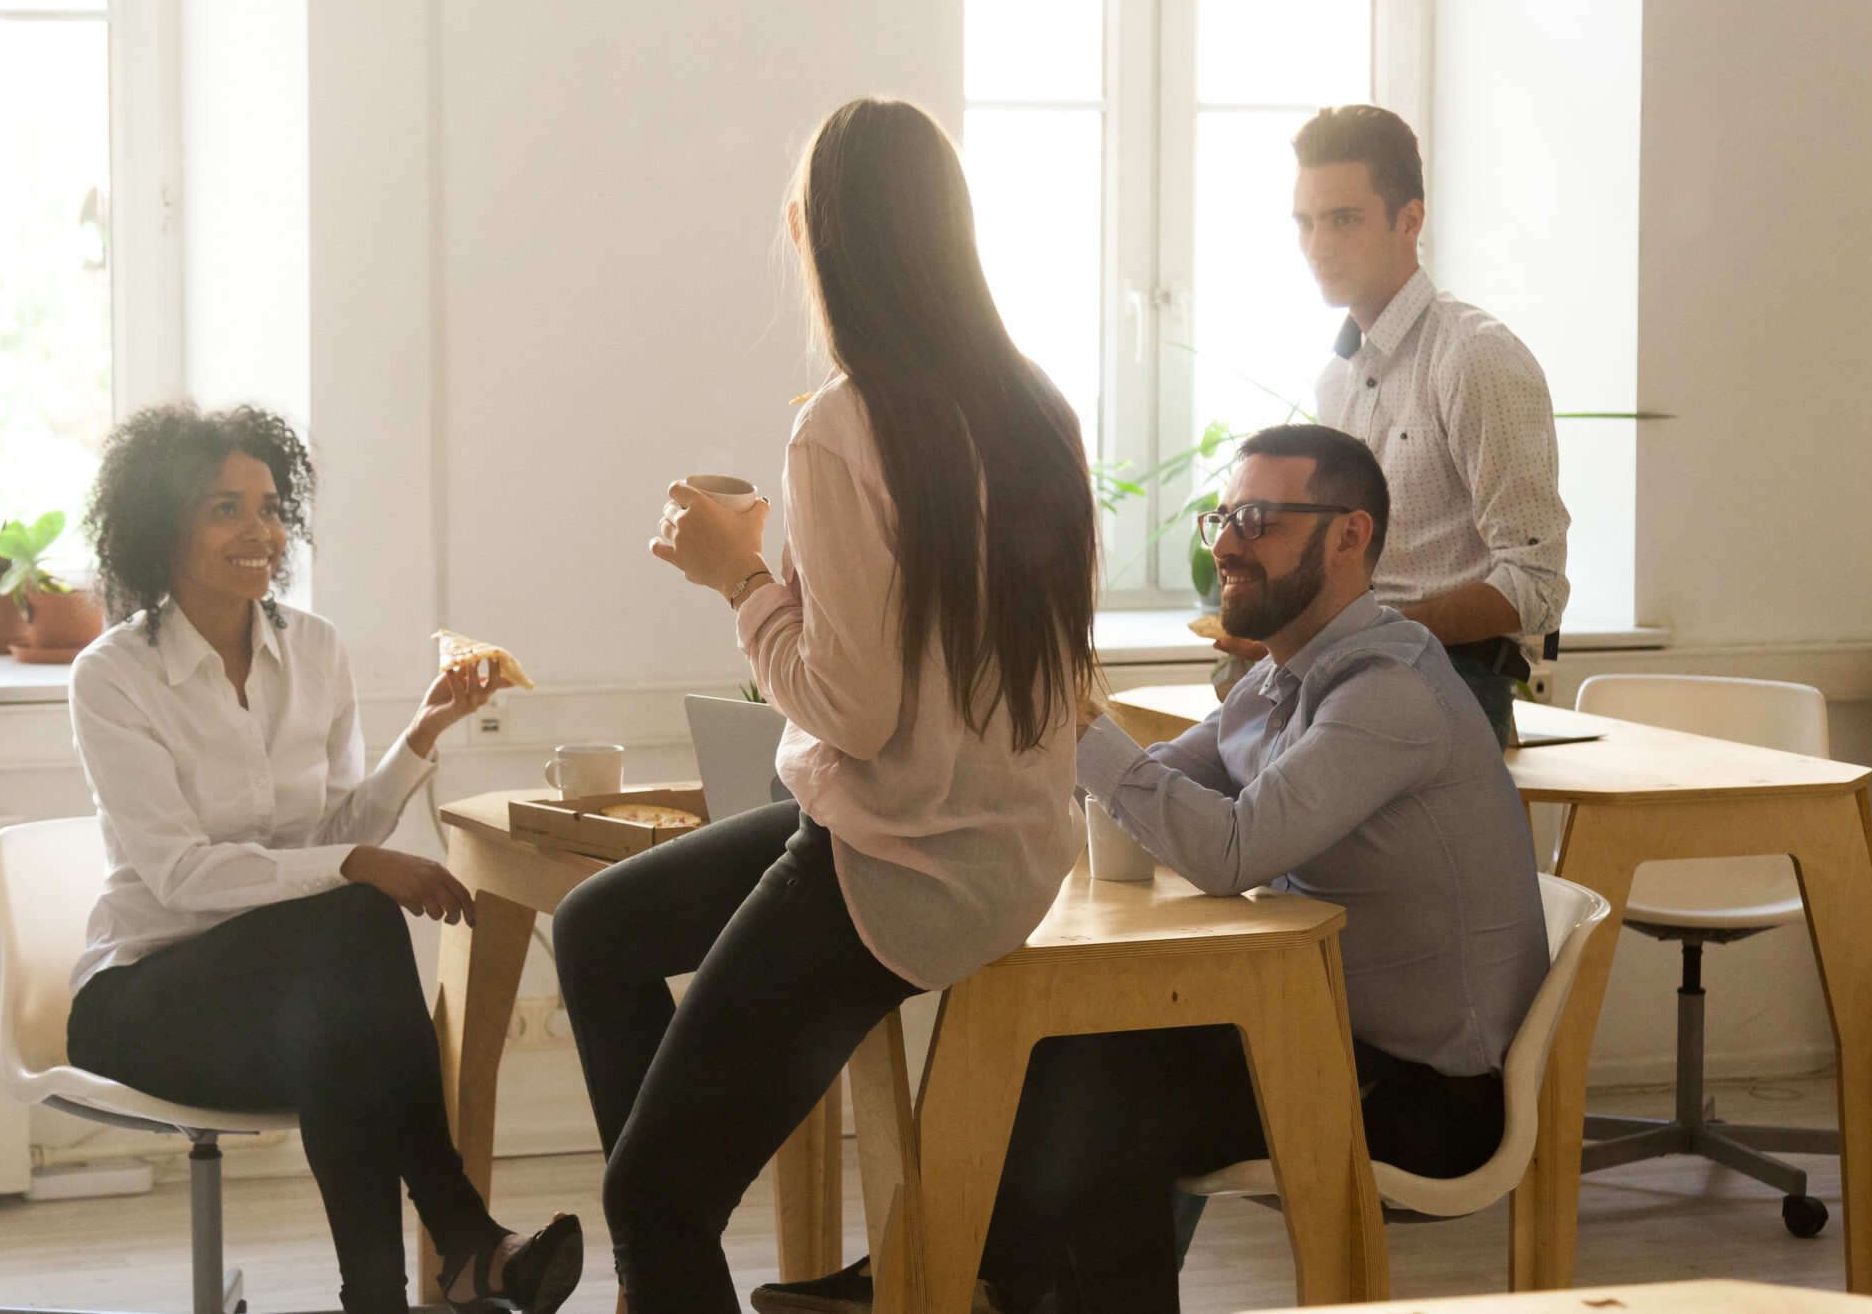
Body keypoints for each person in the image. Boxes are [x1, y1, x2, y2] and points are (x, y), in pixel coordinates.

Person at [551, 98, 1097, 1314]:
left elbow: (846, 709)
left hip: (895, 861)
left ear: (821, 239)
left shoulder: (845, 427)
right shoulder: (1039, 410)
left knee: (648, 1203)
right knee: (598, 932)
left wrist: (738, 578)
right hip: (1010, 848)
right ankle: (683, 1159)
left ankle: (672, 1200)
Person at [979, 424, 1549, 1314]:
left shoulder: (1386, 690)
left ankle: (973, 1286)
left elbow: (1231, 848)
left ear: (1350, 536)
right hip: (1319, 1032)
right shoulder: (1281, 676)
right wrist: (1054, 727)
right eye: (1222, 518)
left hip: (1427, 1096)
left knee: (1104, 1111)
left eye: (1259, 518)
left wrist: (1072, 725)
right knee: (1069, 1050)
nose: (1228, 545)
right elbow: (1166, 788)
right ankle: (985, 1284)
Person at [62, 402, 582, 1314]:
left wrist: (424, 732)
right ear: (159, 523)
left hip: (291, 1003)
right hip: (147, 995)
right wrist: (355, 868)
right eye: (226, 507)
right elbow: (183, 873)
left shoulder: (316, 649)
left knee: (341, 1019)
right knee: (355, 927)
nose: (260, 529)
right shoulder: (112, 676)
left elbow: (341, 830)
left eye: (268, 505)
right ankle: (461, 1242)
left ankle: (386, 1292)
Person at [1220, 104, 1570, 748]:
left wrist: (1371, 632)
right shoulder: (1337, 377)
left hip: (1450, 680)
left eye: (1344, 220)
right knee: (1197, 754)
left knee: (1230, 804)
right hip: (1352, 673)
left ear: (1410, 219)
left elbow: (1536, 586)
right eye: (1306, 223)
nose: (1318, 246)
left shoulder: (1475, 357)